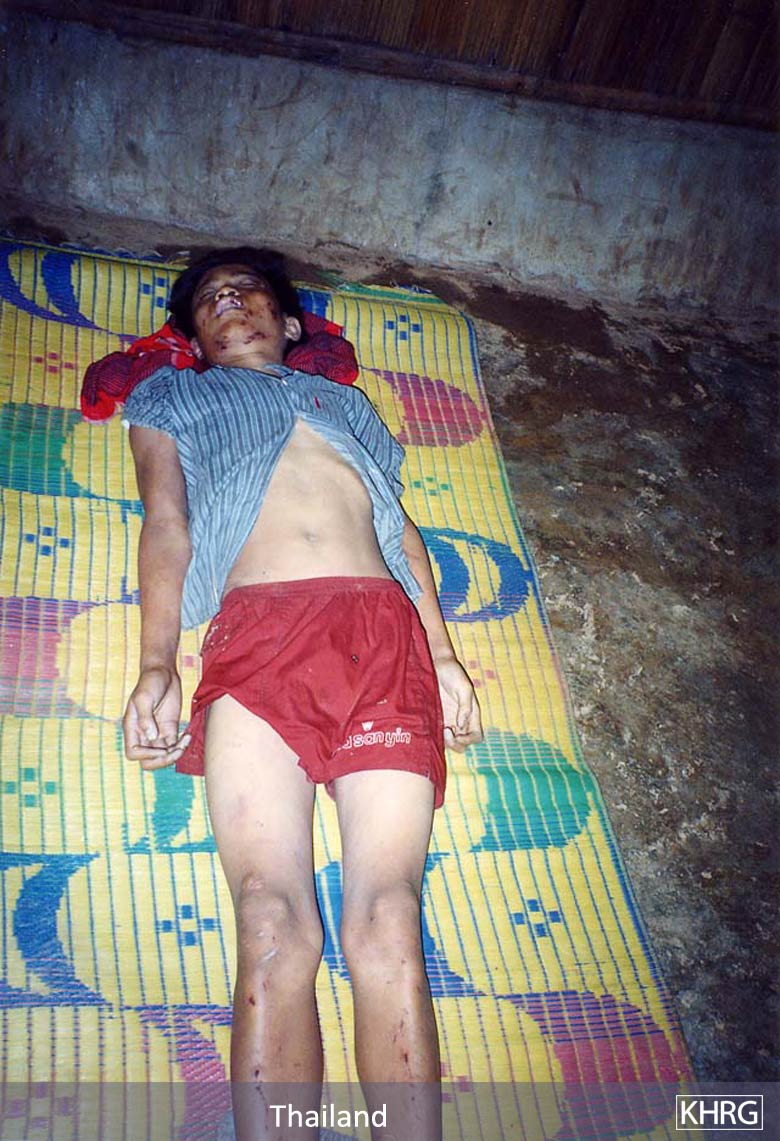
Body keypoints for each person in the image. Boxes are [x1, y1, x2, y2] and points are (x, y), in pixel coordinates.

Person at [120, 247, 483, 1140]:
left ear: (288, 324)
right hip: (259, 637)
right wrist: (157, 662)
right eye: (209, 299)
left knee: (390, 917)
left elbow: (399, 526)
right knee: (270, 918)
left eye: (246, 290)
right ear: (195, 338)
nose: (228, 299)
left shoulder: (346, 404)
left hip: (383, 638)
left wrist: (442, 654)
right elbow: (165, 522)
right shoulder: (171, 399)